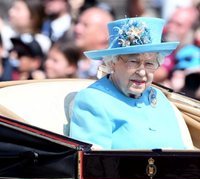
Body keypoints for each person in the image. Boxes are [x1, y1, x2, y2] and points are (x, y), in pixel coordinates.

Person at [69, 17, 193, 150]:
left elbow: (182, 153)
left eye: (149, 63)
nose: (142, 72)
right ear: (112, 63)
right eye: (133, 62)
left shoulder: (159, 98)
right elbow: (94, 164)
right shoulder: (93, 100)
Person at [73, 6, 114, 79]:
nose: (76, 28)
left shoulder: (113, 68)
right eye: (77, 23)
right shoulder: (68, 59)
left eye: (85, 25)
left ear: (104, 33)